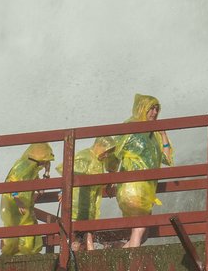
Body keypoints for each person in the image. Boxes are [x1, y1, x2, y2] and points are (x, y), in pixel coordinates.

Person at [112, 94, 174, 248]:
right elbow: (115, 152)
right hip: (133, 184)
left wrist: (164, 135)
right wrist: (110, 177)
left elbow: (167, 158)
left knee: (143, 233)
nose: (154, 112)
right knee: (141, 225)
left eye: (156, 109)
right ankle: (131, 261)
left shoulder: (155, 136)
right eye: (151, 108)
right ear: (142, 108)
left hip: (146, 189)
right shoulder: (131, 127)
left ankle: (118, 253)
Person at [0, 143, 55, 256]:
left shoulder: (33, 171)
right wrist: (18, 200)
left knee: (30, 235)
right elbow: (10, 183)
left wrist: (47, 172)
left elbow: (41, 191)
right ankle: (13, 257)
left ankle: (26, 256)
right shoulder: (23, 166)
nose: (46, 163)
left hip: (25, 208)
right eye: (45, 160)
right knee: (13, 237)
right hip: (12, 204)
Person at [69, 135, 119, 251]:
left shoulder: (100, 160)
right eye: (105, 152)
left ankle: (78, 257)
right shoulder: (85, 156)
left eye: (108, 153)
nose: (106, 155)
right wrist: (63, 192)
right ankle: (91, 257)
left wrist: (109, 184)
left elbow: (112, 164)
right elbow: (71, 174)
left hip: (90, 205)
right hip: (79, 203)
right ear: (99, 147)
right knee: (84, 233)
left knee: (81, 236)